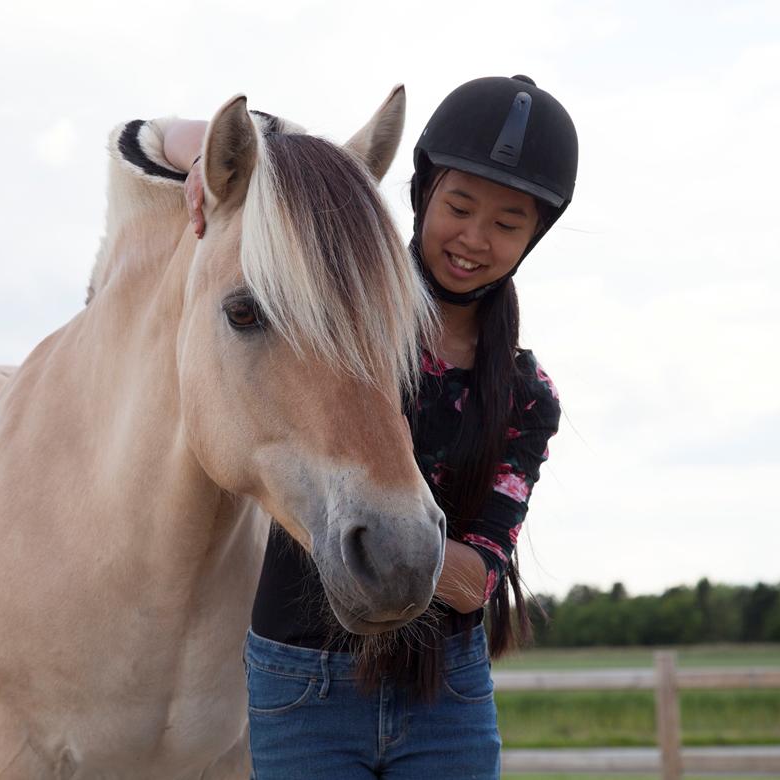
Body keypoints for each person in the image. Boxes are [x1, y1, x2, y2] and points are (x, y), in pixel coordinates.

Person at [127, 75, 577, 778]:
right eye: (459, 206)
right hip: (300, 679)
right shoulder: (330, 316)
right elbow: (143, 136)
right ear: (424, 194)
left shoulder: (526, 395)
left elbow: (480, 575)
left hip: (447, 688)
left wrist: (401, 548)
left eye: (508, 223)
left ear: (533, 238)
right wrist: (200, 160)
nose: (474, 238)